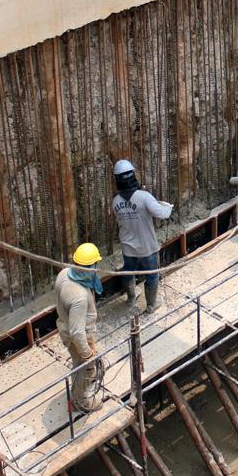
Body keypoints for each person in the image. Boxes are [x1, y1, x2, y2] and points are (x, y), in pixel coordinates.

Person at [111, 159, 173, 312]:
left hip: (128, 247)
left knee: (129, 272)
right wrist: (169, 207)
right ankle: (151, 305)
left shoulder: (115, 201)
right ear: (133, 176)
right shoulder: (144, 197)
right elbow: (162, 214)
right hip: (146, 247)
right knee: (151, 275)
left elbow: (129, 206)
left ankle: (131, 298)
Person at [55, 243, 105, 413]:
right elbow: (77, 332)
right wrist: (88, 354)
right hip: (77, 336)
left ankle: (79, 386)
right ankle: (80, 402)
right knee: (86, 368)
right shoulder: (79, 297)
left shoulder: (65, 274)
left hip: (65, 325)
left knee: (80, 366)